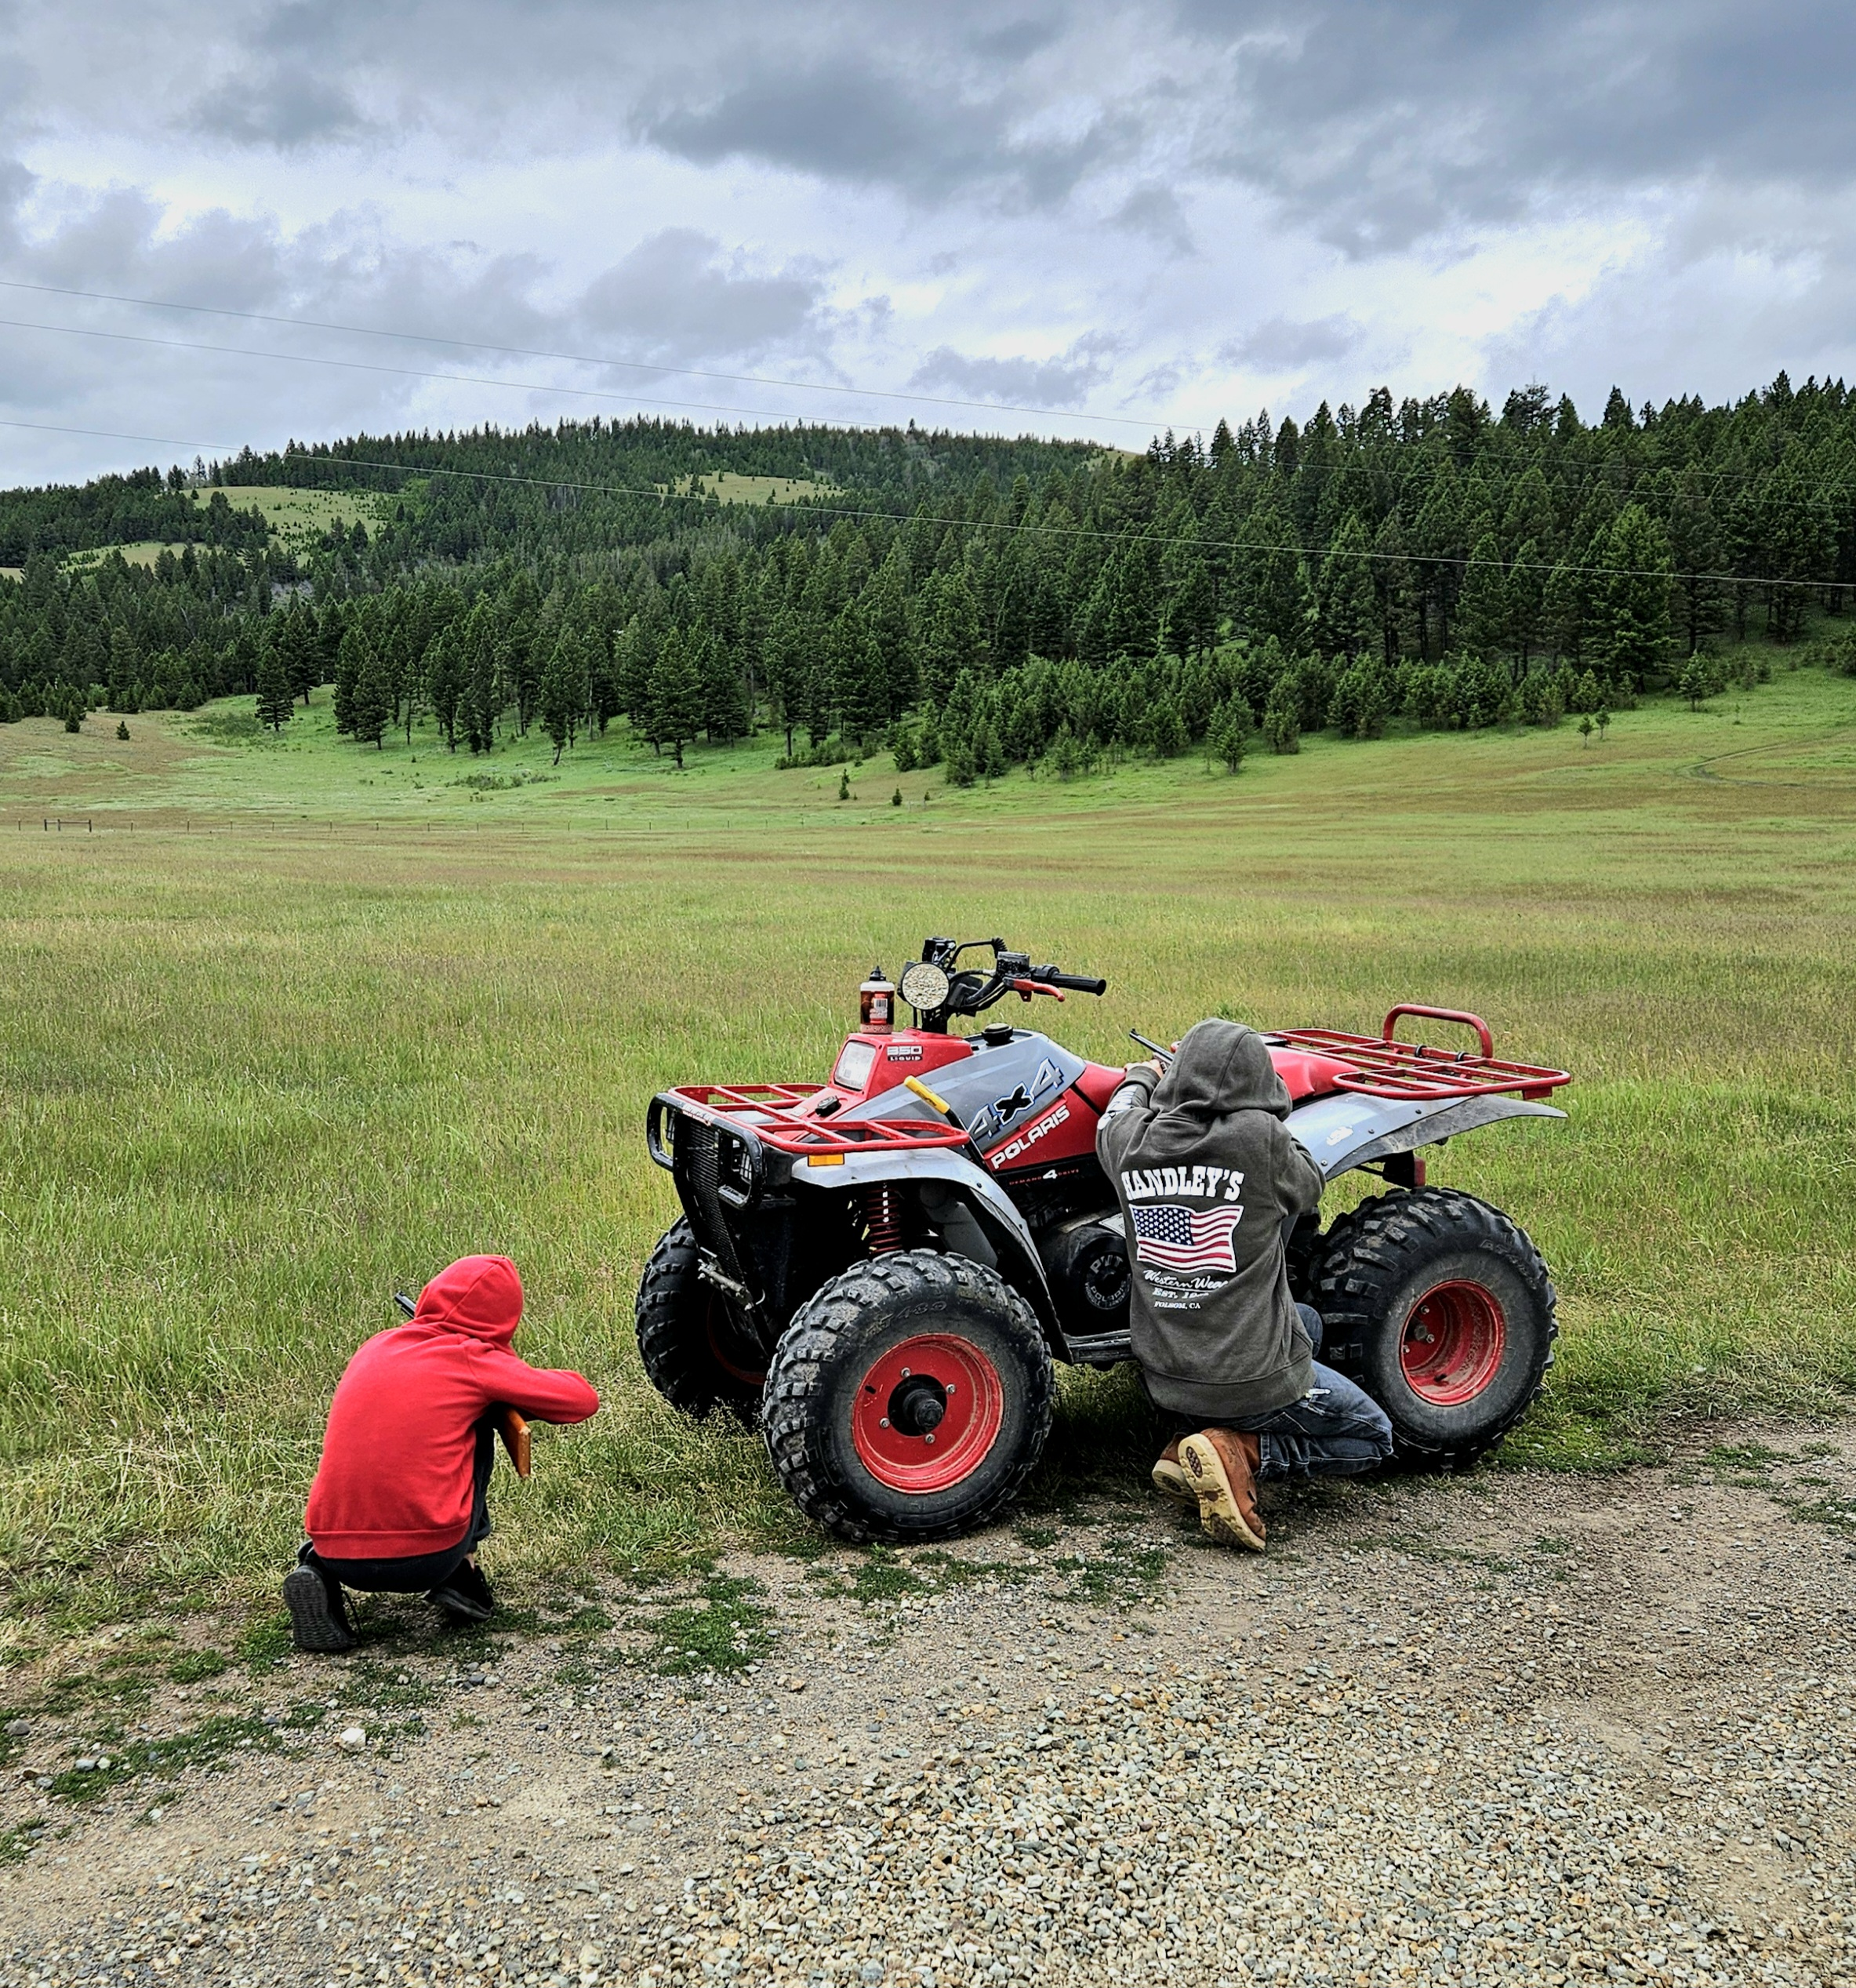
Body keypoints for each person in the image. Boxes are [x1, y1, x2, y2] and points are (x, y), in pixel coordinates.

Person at [1097, 1018, 1393, 1550]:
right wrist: (1263, 1102)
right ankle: (1239, 1448)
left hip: (1166, 1374)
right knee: (1372, 1436)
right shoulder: (1261, 1141)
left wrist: (1144, 1075)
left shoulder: (1127, 1139)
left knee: (1308, 1324)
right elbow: (1308, 1182)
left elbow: (1117, 1108)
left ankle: (1183, 1445)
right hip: (1243, 1381)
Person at [283, 1254, 599, 1652]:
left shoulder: (375, 1346)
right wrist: (503, 1366)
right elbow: (581, 1400)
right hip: (430, 1556)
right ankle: (460, 1575)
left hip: (337, 1550)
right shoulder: (473, 1359)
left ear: (432, 1294)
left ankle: (316, 1573)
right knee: (481, 1421)